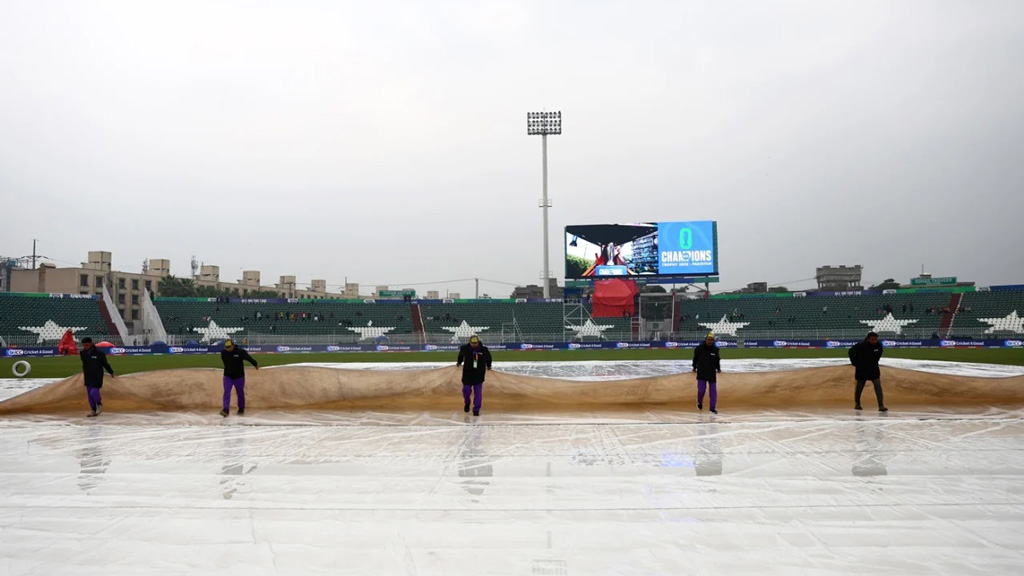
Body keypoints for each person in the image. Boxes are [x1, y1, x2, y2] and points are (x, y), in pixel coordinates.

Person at [849, 332, 888, 412]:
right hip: (862, 369)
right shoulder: (860, 345)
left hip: (873, 369)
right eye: (872, 340)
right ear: (868, 339)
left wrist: (874, 361)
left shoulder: (879, 345)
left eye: (875, 340)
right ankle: (857, 404)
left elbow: (879, 354)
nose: (874, 341)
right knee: (859, 387)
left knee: (878, 386)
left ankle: (881, 405)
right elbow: (851, 352)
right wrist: (854, 363)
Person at [220, 339, 258, 417]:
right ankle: (225, 409)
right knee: (226, 392)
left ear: (233, 345)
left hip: (239, 377)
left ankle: (241, 408)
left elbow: (248, 358)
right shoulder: (223, 353)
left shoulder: (240, 352)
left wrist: (255, 364)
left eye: (229, 347)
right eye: (226, 347)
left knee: (240, 392)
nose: (227, 349)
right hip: (227, 376)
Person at [456, 335, 492, 416]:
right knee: (466, 390)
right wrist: (459, 362)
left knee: (478, 393)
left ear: (478, 342)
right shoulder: (464, 348)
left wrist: (489, 365)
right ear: (470, 342)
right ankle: (467, 402)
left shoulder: (484, 350)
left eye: (475, 343)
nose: (474, 345)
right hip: (467, 374)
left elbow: (489, 358)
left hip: (478, 374)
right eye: (472, 343)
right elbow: (460, 356)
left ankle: (476, 410)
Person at [80, 337, 115, 417]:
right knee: (89, 395)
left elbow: (105, 364)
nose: (85, 347)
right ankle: (93, 410)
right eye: (84, 345)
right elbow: (85, 364)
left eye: (87, 345)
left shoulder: (99, 353)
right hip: (88, 376)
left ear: (91, 344)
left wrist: (111, 372)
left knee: (94, 392)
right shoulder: (82, 353)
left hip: (97, 376)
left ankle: (99, 404)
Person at [692, 333, 722, 414]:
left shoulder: (715, 350)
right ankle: (699, 402)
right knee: (701, 390)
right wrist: (694, 367)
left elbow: (717, 360)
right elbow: (695, 359)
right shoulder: (699, 348)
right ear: (706, 339)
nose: (710, 341)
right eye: (708, 340)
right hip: (701, 373)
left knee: (713, 392)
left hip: (712, 373)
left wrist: (718, 369)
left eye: (711, 340)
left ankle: (712, 408)